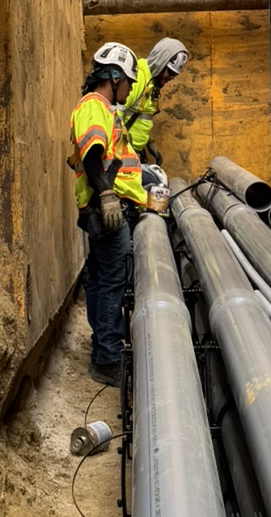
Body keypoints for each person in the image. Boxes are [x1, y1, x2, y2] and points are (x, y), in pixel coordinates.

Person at [68, 41, 148, 385]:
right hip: (108, 210)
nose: (129, 90)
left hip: (105, 209)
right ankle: (108, 359)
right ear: (113, 77)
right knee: (112, 282)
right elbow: (92, 154)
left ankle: (103, 348)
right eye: (128, 82)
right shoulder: (94, 106)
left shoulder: (103, 109)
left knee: (102, 281)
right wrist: (107, 195)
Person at [122, 37, 190, 163]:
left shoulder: (152, 84)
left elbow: (142, 117)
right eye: (170, 72)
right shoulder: (138, 78)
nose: (171, 78)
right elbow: (114, 113)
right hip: (123, 153)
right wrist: (123, 143)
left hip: (134, 153)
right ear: (160, 62)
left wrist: (149, 143)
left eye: (174, 75)